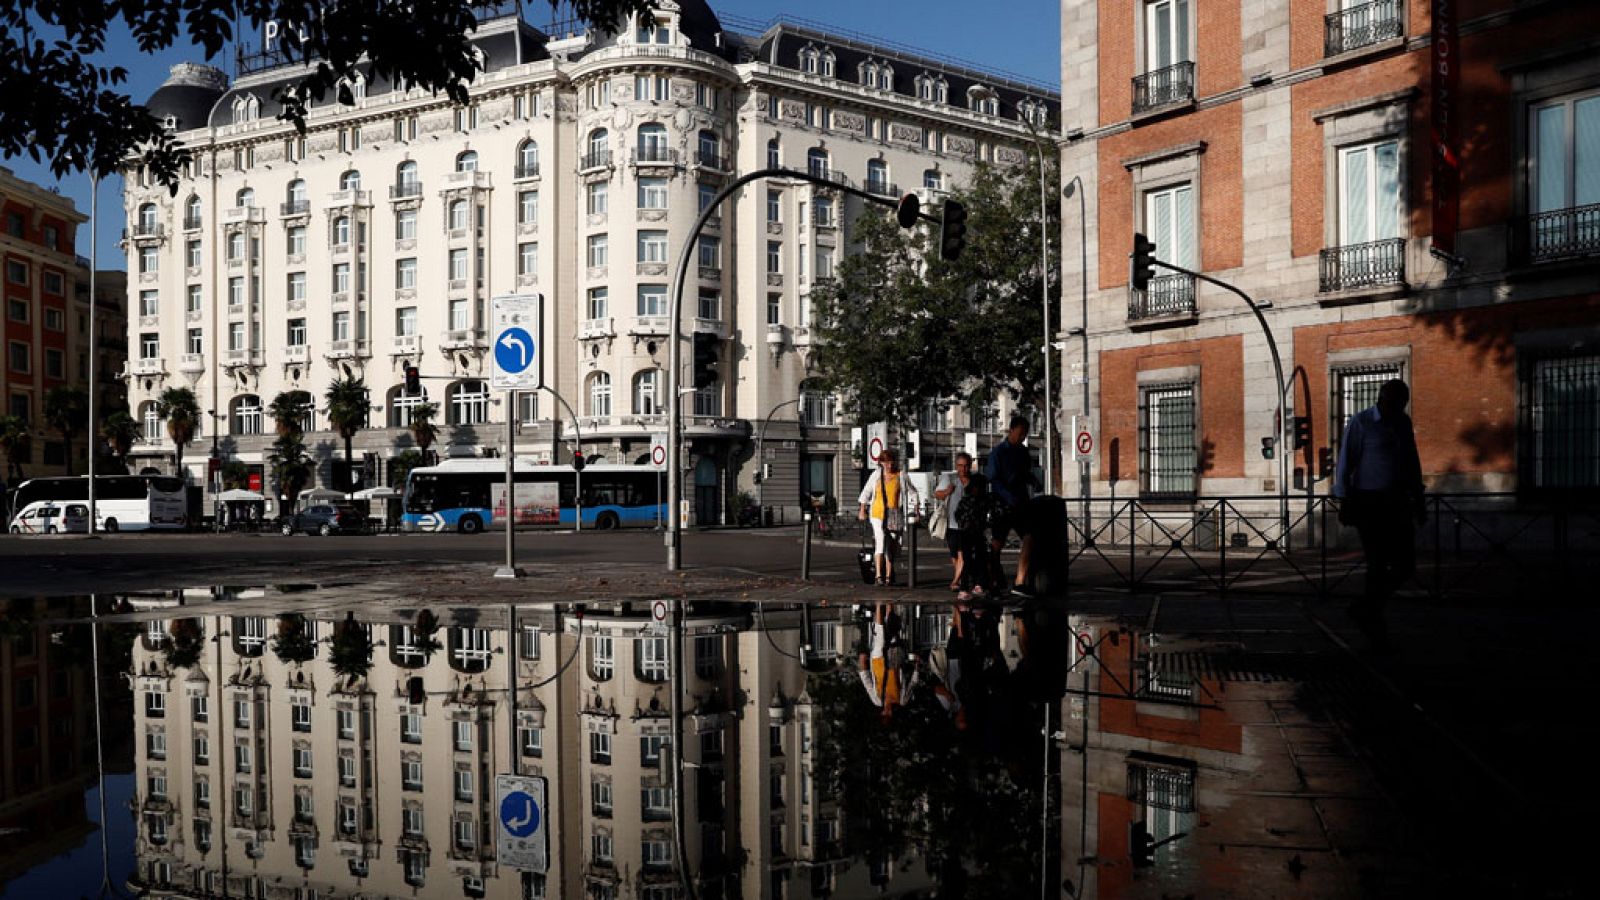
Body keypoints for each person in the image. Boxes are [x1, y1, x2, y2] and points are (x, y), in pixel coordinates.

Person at [1334, 379, 1425, 639]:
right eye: (1393, 402)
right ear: (1381, 398)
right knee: (1377, 561)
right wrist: (1344, 500)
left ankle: (1367, 606)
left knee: (1406, 563)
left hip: (1397, 501)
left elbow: (1411, 461)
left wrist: (1418, 498)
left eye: (1401, 403)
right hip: (1369, 502)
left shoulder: (1403, 423)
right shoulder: (1361, 422)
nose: (1397, 407)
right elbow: (1345, 463)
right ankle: (1372, 613)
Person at [986, 415, 1039, 598]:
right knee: (997, 542)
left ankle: (1019, 581)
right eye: (1020, 433)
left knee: (1029, 537)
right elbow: (993, 478)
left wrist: (1034, 481)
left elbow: (1026, 474)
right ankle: (993, 581)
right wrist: (1008, 496)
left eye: (1025, 434)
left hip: (1020, 501)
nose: (1022, 437)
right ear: (1011, 430)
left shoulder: (1023, 453)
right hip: (1002, 502)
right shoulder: (998, 453)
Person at [857, 448, 919, 586]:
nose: (889, 466)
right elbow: (866, 492)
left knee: (890, 546)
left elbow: (913, 492)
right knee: (880, 542)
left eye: (891, 462)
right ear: (881, 463)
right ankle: (879, 576)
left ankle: (888, 576)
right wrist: (862, 509)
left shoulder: (901, 475)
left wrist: (916, 509)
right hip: (877, 513)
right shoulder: (876, 475)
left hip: (894, 514)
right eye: (886, 463)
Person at [934, 452, 978, 590]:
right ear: (956, 465)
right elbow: (937, 494)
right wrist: (947, 491)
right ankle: (964, 576)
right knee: (954, 554)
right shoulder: (950, 478)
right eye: (960, 466)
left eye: (966, 466)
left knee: (962, 553)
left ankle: (955, 581)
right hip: (951, 523)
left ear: (970, 466)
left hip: (967, 525)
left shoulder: (974, 481)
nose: (963, 469)